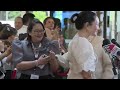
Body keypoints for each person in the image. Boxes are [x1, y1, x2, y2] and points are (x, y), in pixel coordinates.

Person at [50, 11, 99, 79]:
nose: (98, 28)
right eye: (96, 24)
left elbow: (67, 60)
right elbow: (86, 73)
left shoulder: (77, 40)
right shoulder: (82, 42)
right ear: (87, 25)